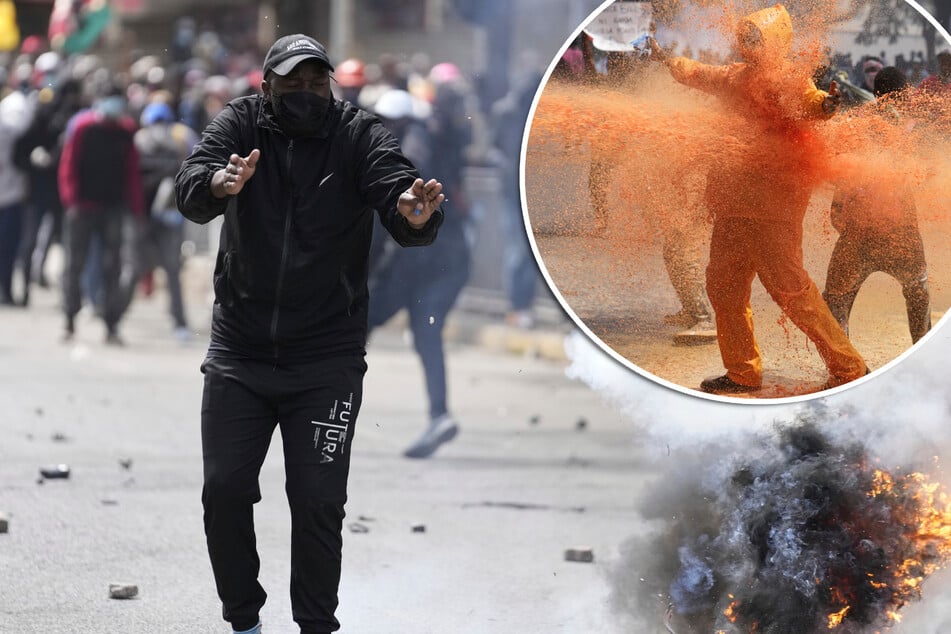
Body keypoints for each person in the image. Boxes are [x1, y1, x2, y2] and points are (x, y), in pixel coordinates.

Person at [174, 34, 444, 634]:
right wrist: (220, 184)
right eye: (291, 82)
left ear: (332, 85)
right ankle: (244, 620)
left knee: (319, 502)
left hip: (326, 360)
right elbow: (190, 185)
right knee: (224, 492)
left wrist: (412, 209)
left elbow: (394, 185)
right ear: (266, 87)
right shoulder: (240, 125)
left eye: (315, 82)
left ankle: (317, 627)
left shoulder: (357, 133)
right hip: (239, 352)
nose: (304, 92)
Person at [650, 4, 868, 394]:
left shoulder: (787, 79)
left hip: (774, 211)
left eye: (756, 38)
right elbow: (700, 74)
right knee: (723, 287)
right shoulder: (735, 76)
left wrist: (827, 106)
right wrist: (669, 59)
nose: (748, 45)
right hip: (732, 206)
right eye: (745, 37)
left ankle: (850, 368)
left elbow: (810, 101)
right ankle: (741, 373)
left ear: (774, 41)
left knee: (793, 294)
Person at [367, 87, 471, 459]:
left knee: (360, 323)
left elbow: (388, 223)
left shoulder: (405, 155)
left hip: (422, 262)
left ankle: (326, 406)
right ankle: (439, 415)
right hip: (445, 258)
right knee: (425, 332)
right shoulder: (430, 142)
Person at [822, 67, 931, 345]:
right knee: (918, 292)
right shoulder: (909, 128)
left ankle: (846, 370)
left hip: (859, 233)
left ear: (875, 92)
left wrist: (837, 210)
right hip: (902, 233)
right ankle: (923, 354)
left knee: (835, 298)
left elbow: (845, 171)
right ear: (905, 94)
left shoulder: (859, 123)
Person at [58, 85, 144, 344]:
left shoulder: (125, 131)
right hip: (82, 207)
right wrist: (71, 201)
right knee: (74, 264)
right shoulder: (84, 128)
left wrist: (136, 208)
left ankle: (111, 324)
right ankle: (70, 320)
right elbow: (68, 166)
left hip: (113, 208)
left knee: (112, 267)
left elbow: (132, 172)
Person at [122, 101, 198, 340]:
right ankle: (180, 324)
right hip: (165, 216)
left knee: (135, 270)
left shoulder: (138, 140)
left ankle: (111, 318)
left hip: (145, 217)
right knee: (170, 271)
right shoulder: (180, 139)